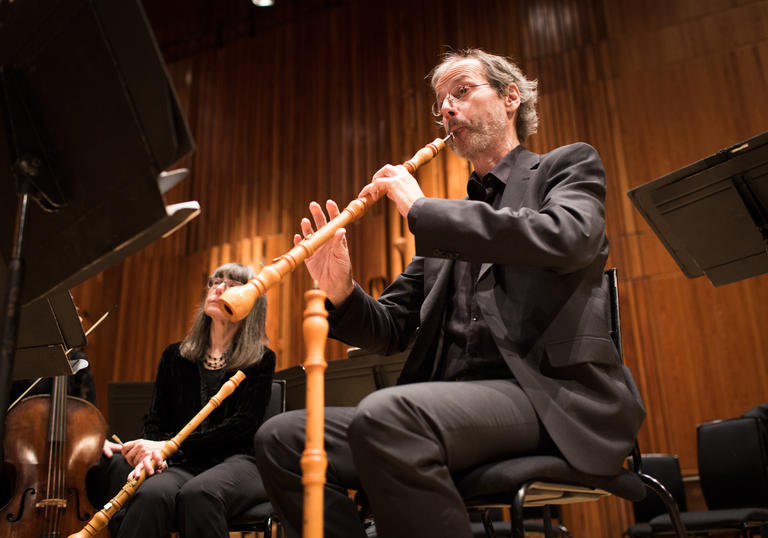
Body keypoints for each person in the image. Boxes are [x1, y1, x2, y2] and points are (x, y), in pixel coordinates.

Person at [254, 49, 646, 538]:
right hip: (453, 409)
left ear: (509, 98)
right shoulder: (450, 229)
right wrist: (340, 289)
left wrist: (421, 208)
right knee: (283, 437)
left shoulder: (565, 168)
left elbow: (566, 237)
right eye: (440, 103)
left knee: (390, 416)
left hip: (549, 398)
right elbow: (392, 327)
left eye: (461, 92)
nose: (447, 109)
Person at [104, 262, 275, 538]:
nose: (218, 288)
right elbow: (155, 419)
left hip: (238, 463)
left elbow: (242, 428)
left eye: (231, 285)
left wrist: (170, 447)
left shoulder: (261, 359)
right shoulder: (174, 356)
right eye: (215, 282)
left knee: (200, 495)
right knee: (151, 495)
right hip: (182, 463)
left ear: (250, 302)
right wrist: (153, 451)